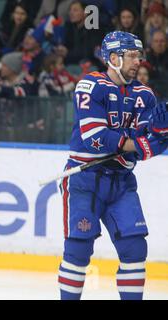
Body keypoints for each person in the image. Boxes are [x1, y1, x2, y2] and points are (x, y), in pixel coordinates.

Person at [58, 31, 168, 300]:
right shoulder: (90, 86)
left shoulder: (145, 94)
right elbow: (96, 139)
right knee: (79, 249)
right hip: (84, 180)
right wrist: (140, 144)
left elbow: (152, 141)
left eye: (138, 56)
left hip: (121, 183)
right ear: (113, 57)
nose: (137, 62)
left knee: (134, 249)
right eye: (131, 56)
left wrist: (160, 133)